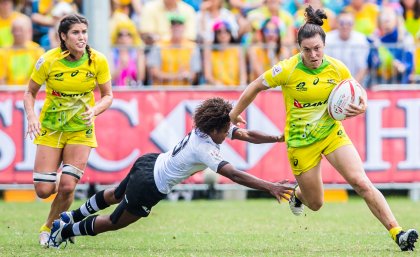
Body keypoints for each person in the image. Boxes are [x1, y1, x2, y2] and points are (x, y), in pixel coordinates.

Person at [229, 5, 418, 252]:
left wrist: (362, 106)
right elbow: (255, 85)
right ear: (299, 49)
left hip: (331, 134)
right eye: (307, 50)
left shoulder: (336, 68)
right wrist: (234, 114)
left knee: (361, 183)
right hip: (300, 143)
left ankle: (398, 233)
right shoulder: (287, 70)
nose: (313, 54)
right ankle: (298, 194)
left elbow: (357, 93)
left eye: (317, 48)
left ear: (324, 46)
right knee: (316, 203)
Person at [47, 97, 292, 248]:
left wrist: (279, 138)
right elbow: (235, 175)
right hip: (150, 185)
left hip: (149, 162)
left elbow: (247, 134)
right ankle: (62, 232)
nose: (231, 130)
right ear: (217, 128)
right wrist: (270, 186)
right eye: (228, 128)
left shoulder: (208, 126)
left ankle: (72, 216)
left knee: (114, 195)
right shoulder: (204, 148)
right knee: (113, 222)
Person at [23, 13, 113, 247]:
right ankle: (59, 182)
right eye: (75, 32)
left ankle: (49, 229)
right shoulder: (48, 60)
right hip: (52, 129)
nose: (81, 37)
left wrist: (95, 111)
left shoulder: (97, 60)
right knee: (43, 190)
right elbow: (30, 92)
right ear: (63, 36)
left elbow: (108, 96)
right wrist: (32, 117)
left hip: (80, 130)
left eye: (84, 32)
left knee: (68, 185)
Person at [325, 10, 369, 84]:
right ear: (337, 24)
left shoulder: (361, 39)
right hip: (332, 82)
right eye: (342, 23)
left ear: (354, 25)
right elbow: (326, 65)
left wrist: (352, 85)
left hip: (356, 83)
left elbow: (362, 68)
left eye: (349, 23)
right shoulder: (327, 38)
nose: (345, 26)